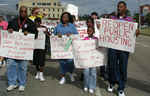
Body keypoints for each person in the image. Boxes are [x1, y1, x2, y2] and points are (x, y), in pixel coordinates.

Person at [107, 1, 140, 96]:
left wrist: (137, 32)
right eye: (118, 7)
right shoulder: (112, 18)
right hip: (112, 47)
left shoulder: (130, 20)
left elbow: (134, 34)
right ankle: (112, 83)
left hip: (124, 48)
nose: (119, 8)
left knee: (123, 67)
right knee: (112, 66)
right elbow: (107, 30)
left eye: (121, 7)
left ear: (125, 8)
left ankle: (121, 88)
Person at [7, 6, 38, 91]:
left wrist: (29, 33)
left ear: (27, 12)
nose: (23, 13)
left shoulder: (30, 23)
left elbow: (36, 35)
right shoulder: (13, 21)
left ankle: (22, 84)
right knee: (10, 65)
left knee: (22, 67)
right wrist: (9, 30)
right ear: (19, 12)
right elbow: (7, 31)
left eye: (25, 11)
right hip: (12, 48)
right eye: (21, 11)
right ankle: (12, 83)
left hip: (24, 50)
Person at [53, 12, 78, 85]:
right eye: (63, 17)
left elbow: (76, 35)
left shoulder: (72, 26)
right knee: (62, 62)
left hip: (69, 46)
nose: (65, 18)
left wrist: (71, 35)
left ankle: (71, 73)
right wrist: (57, 35)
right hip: (60, 48)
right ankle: (63, 77)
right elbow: (53, 35)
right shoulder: (58, 26)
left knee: (70, 61)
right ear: (61, 18)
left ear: (69, 18)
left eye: (66, 17)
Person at [83, 26, 98, 94]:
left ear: (93, 32)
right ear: (87, 31)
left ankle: (92, 86)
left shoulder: (96, 39)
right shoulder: (84, 39)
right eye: (88, 30)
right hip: (86, 59)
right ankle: (86, 85)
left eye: (91, 30)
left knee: (93, 73)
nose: (89, 32)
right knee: (86, 72)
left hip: (93, 59)